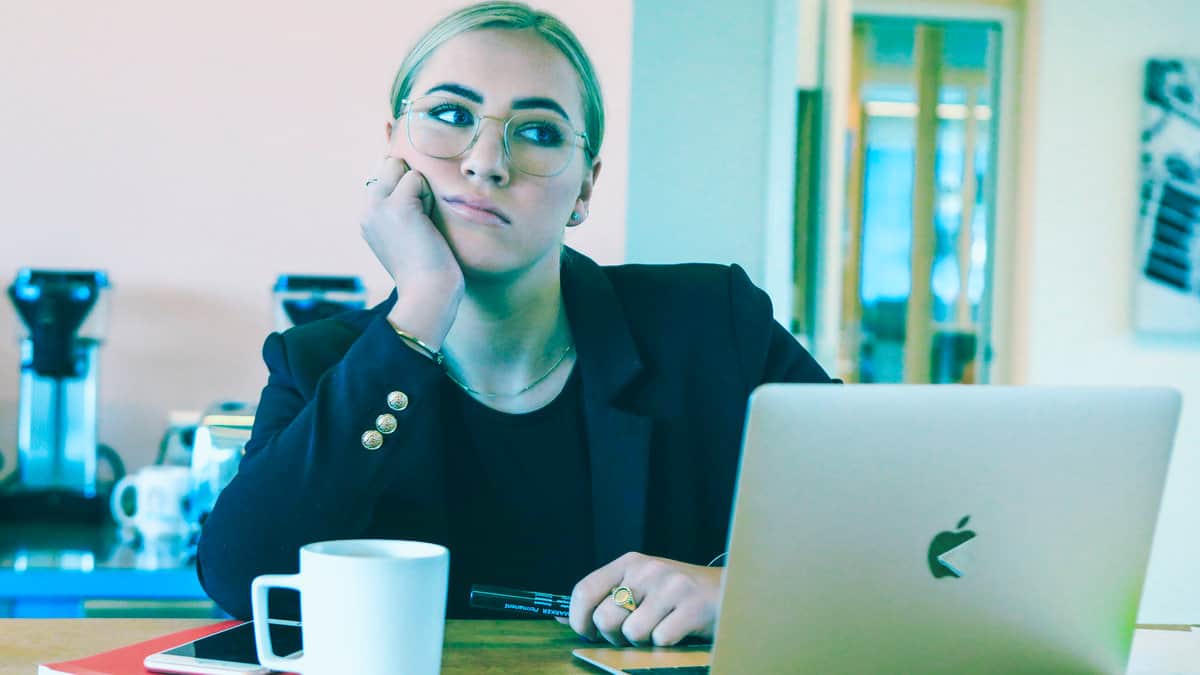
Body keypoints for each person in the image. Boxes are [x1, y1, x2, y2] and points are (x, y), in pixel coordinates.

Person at [196, 0, 835, 648]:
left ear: (585, 187)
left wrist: (742, 592)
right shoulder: (319, 362)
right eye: (450, 116)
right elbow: (240, 576)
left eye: (538, 131)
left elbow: (898, 522)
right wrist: (420, 305)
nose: (486, 160)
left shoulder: (710, 324)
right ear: (393, 148)